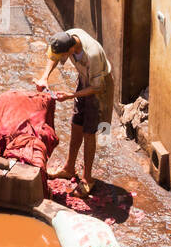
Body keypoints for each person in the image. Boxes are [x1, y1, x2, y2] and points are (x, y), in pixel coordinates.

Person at [36, 29, 113, 193]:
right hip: (85, 80)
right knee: (76, 124)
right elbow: (53, 56)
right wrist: (45, 76)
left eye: (63, 56)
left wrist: (71, 95)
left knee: (89, 132)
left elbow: (98, 87)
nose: (62, 59)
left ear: (71, 50)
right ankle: (69, 168)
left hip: (99, 88)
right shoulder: (66, 37)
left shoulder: (91, 54)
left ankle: (87, 179)